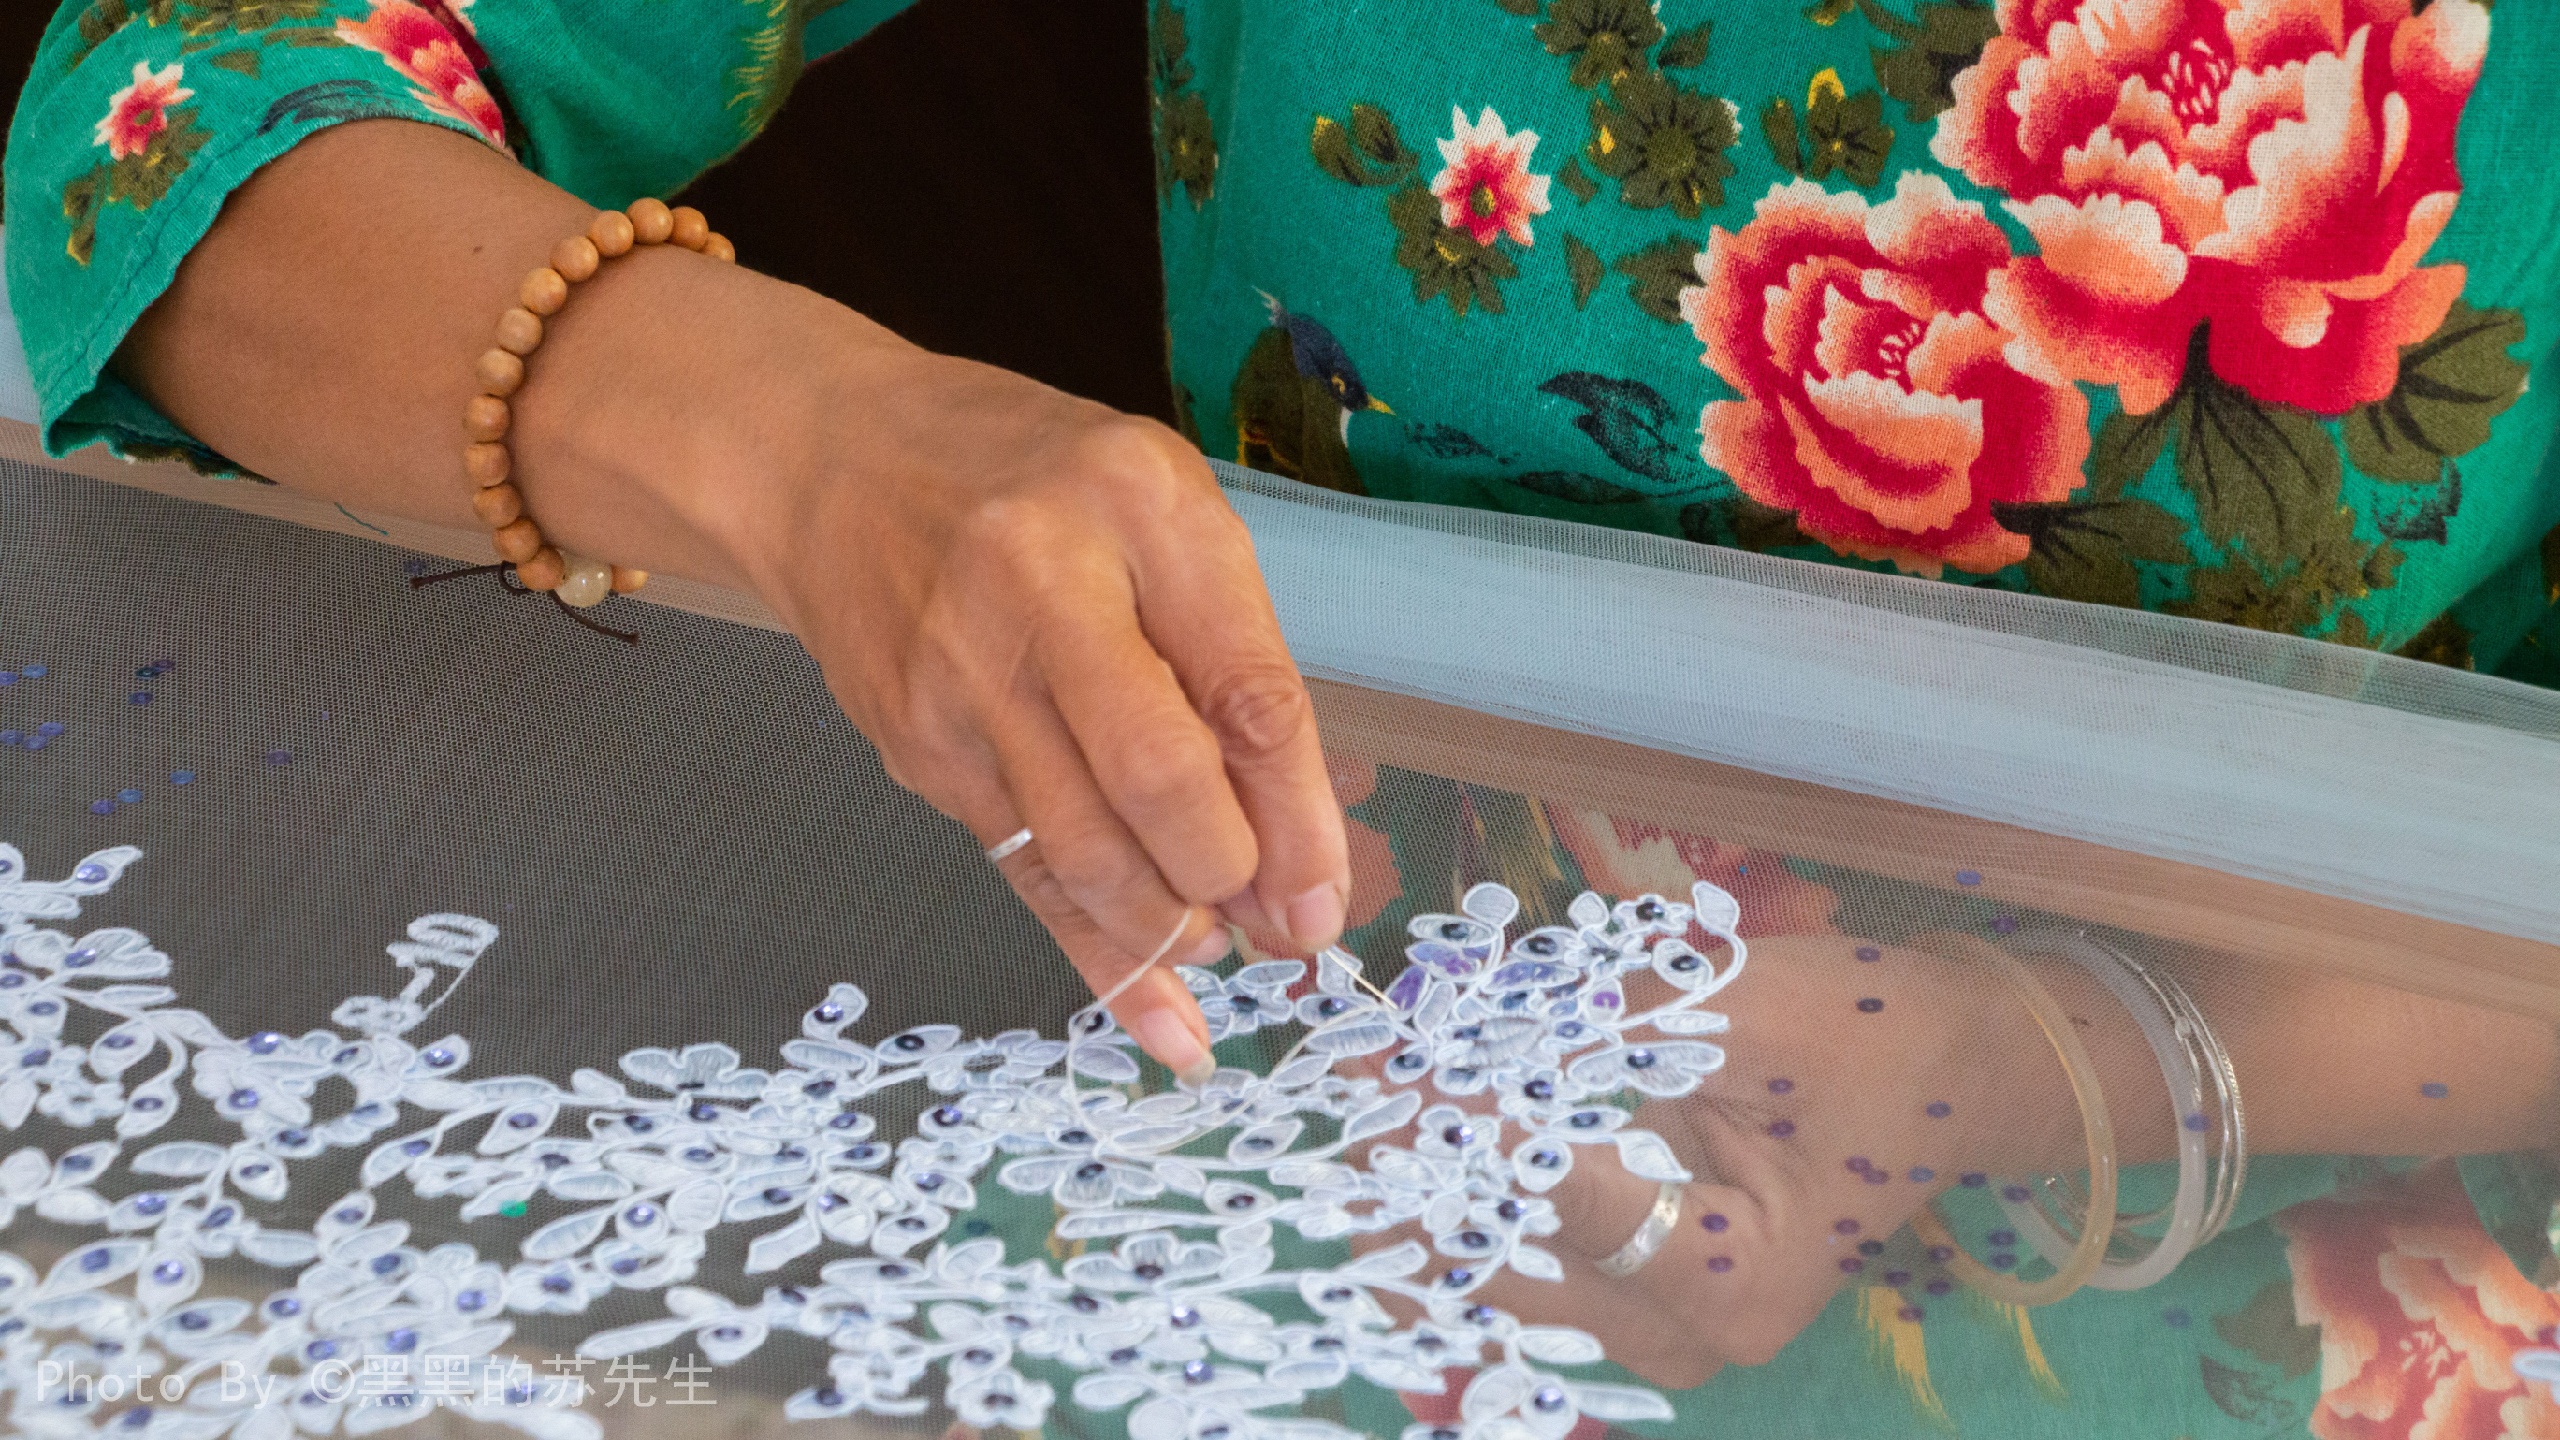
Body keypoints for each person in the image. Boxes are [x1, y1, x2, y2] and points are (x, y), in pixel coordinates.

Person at [5, 0, 2556, 1431]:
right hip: (1269, 1095)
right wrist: (803, 433)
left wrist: (2020, 1056)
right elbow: (182, 125)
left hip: (2342, 1129)